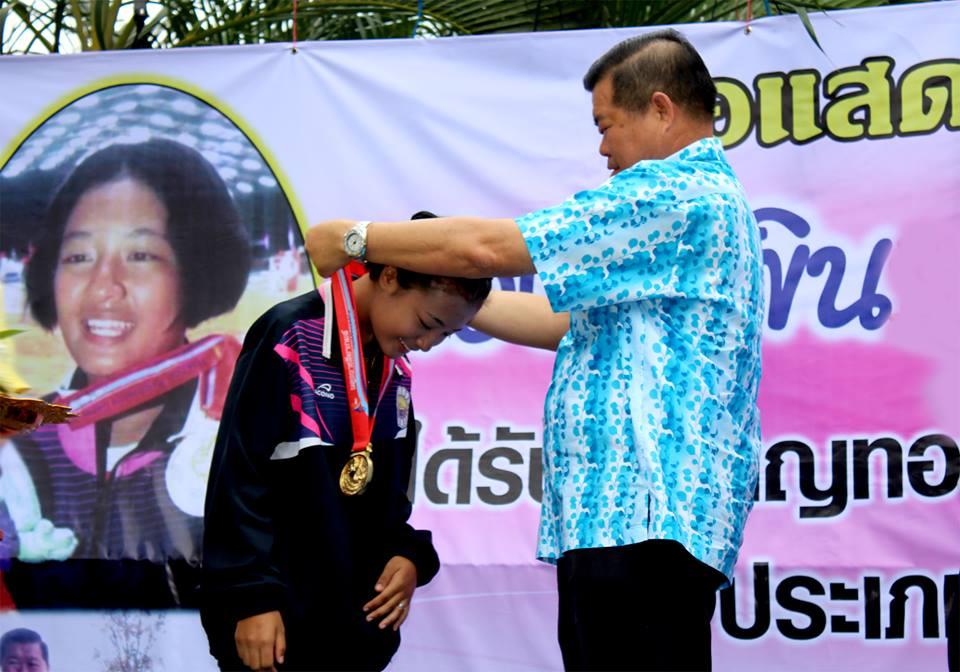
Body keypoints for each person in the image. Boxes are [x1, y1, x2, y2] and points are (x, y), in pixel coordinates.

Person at [305, 29, 764, 672]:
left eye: (606, 126)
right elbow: (566, 324)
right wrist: (453, 303)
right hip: (628, 525)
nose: (602, 149)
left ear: (661, 109)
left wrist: (356, 239)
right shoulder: (699, 206)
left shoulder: (676, 194)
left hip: (642, 523)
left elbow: (489, 250)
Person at [201, 212, 492, 671]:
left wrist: (407, 554)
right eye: (428, 322)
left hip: (351, 636)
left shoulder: (396, 368)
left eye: (446, 334)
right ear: (389, 276)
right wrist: (250, 597)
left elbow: (387, 499)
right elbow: (237, 477)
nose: (429, 343)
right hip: (277, 628)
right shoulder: (291, 335)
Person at [0, 138, 251, 608]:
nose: (103, 287)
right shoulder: (20, 446)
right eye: (78, 256)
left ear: (195, 271)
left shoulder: (240, 432)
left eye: (140, 256)